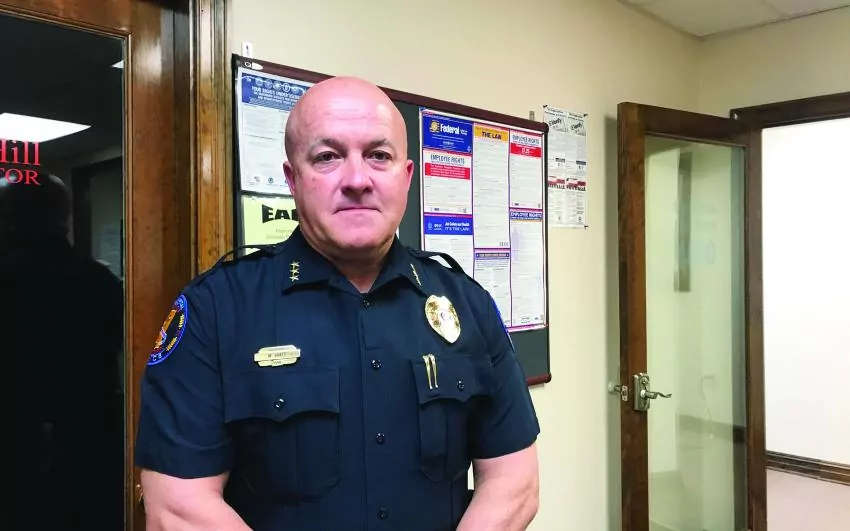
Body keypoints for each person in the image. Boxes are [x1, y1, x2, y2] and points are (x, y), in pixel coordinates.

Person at [135, 76, 540, 530]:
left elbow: (514, 480)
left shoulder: (467, 304)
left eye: (379, 156)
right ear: (292, 179)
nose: (357, 180)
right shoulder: (216, 309)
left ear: (406, 176)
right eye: (327, 157)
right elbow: (178, 507)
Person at [0, 172, 124, 530]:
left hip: (18, 439)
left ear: (12, 220)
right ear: (65, 218)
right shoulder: (100, 281)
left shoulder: (7, 279)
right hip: (91, 438)